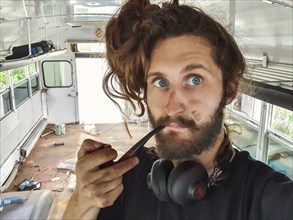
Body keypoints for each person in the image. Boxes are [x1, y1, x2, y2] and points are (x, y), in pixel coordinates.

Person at [62, 0, 293, 219]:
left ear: (229, 90)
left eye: (194, 79)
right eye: (160, 82)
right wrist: (83, 201)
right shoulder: (129, 174)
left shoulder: (264, 195)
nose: (172, 107)